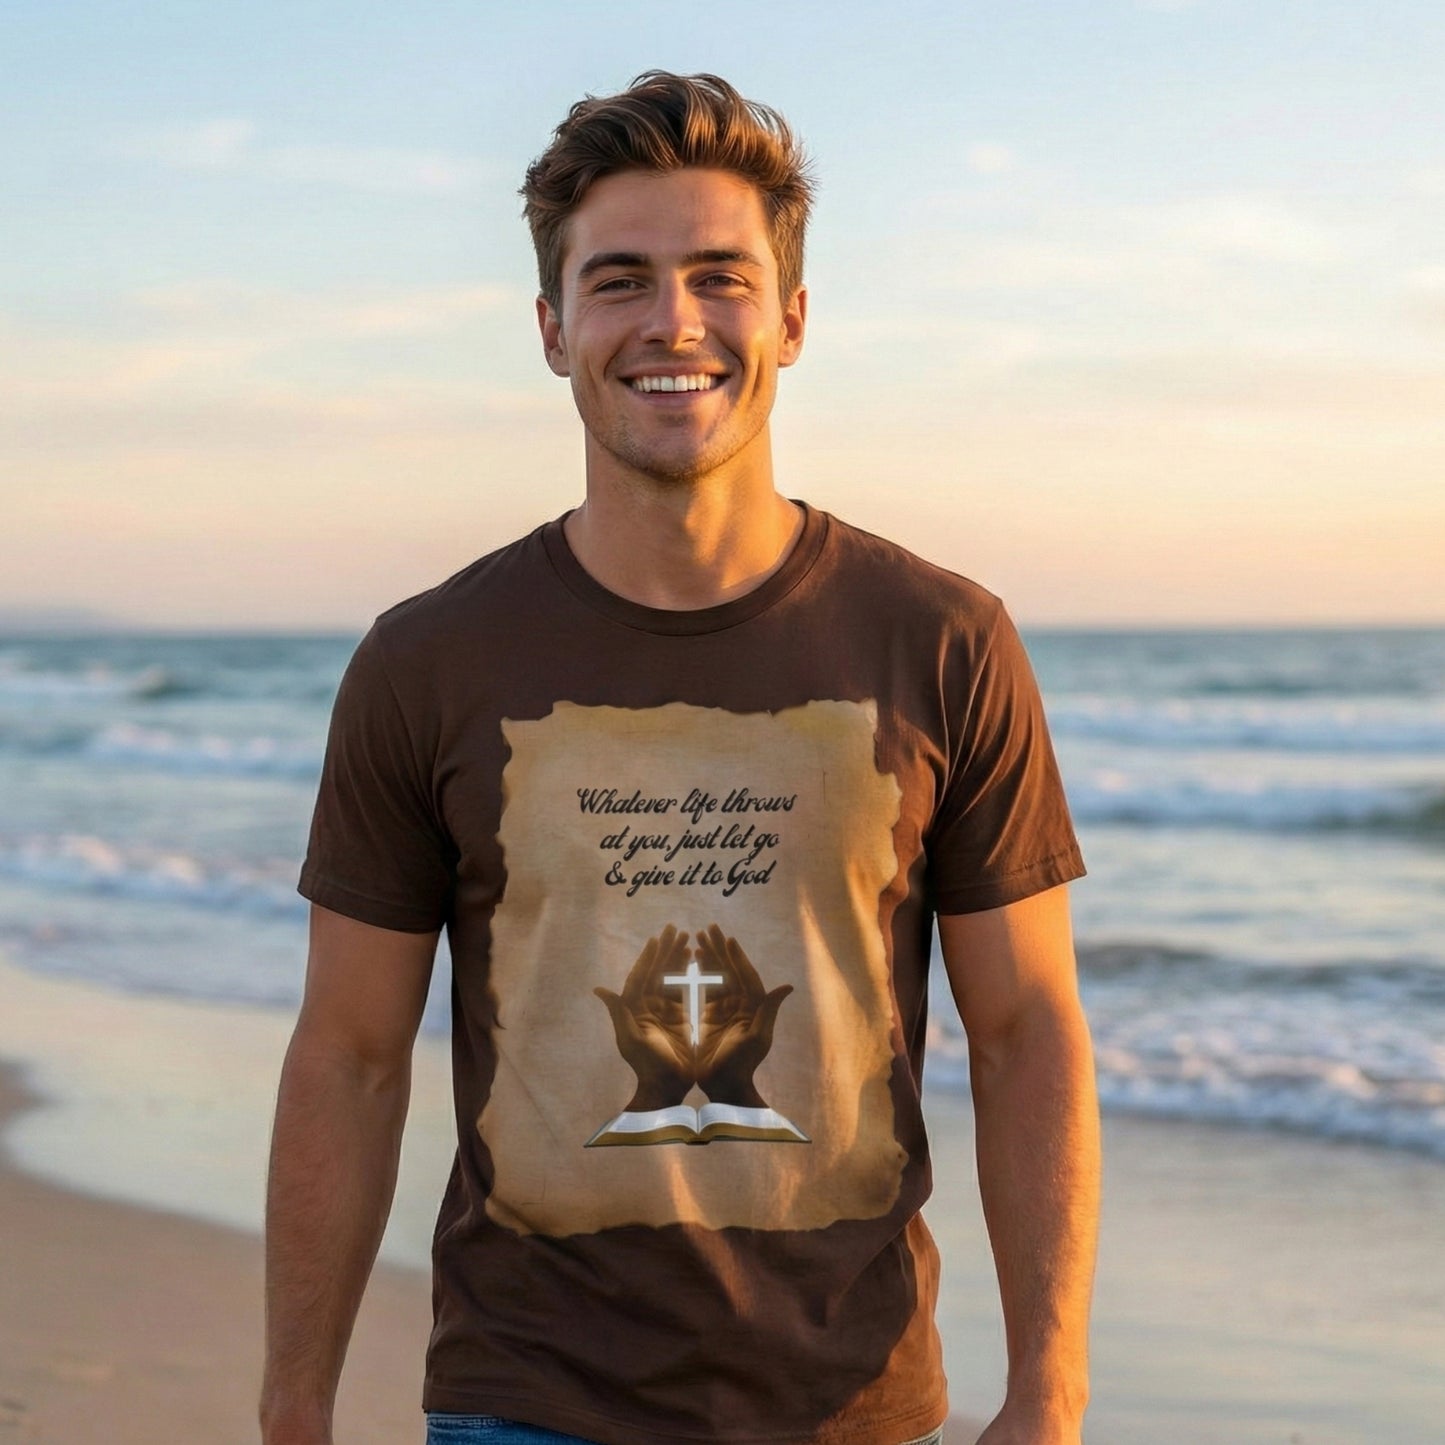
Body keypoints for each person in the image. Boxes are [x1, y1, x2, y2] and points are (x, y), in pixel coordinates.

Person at [261, 71, 1099, 1445]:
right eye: (619, 281)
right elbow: (348, 1055)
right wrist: (293, 1407)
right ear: (550, 327)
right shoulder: (427, 662)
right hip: (521, 1405)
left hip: (854, 1408)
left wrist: (1048, 1395)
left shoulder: (942, 641)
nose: (673, 323)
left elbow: (1026, 1033)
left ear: (793, 317)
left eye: (721, 277)